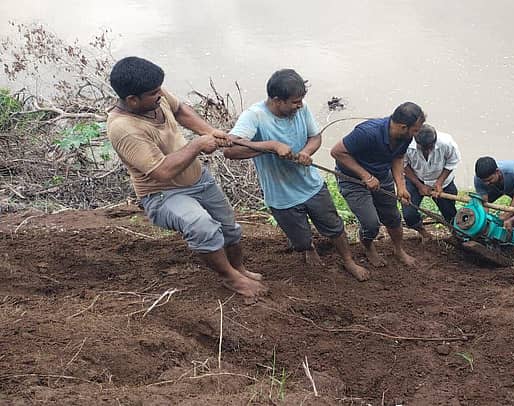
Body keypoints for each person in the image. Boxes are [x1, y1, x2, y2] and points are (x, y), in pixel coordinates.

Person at [106, 56, 266, 298]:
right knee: (202, 226)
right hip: (162, 193)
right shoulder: (123, 128)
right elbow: (162, 172)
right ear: (132, 99)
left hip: (197, 179)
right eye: (153, 93)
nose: (160, 96)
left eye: (159, 90)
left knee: (228, 226)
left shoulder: (153, 97)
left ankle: (239, 268)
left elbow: (180, 110)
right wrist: (198, 144)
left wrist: (210, 131)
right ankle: (230, 278)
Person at [222, 69, 370, 282]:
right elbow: (230, 150)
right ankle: (308, 249)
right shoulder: (254, 116)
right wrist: (270, 146)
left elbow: (315, 136)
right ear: (276, 100)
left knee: (334, 227)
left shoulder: (302, 108)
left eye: (300, 101)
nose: (299, 105)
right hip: (281, 196)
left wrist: (306, 152)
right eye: (294, 102)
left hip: (311, 185)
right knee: (300, 240)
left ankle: (348, 260)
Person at [330, 102, 425, 268]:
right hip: (353, 180)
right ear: (403, 127)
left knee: (394, 218)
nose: (418, 133)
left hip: (382, 176)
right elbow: (337, 152)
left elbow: (397, 157)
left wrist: (401, 187)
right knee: (371, 223)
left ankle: (398, 249)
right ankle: (368, 247)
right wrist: (366, 176)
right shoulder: (367, 133)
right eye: (416, 129)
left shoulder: (405, 136)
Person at [402, 124, 461, 240]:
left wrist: (439, 182)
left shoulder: (446, 142)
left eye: (430, 147)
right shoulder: (405, 144)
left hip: (442, 181)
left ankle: (457, 235)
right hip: (416, 179)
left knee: (450, 213)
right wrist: (419, 185)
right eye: (424, 148)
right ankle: (424, 233)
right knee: (409, 213)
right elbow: (403, 165)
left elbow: (452, 162)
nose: (428, 150)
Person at [473, 156, 514, 245]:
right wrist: (484, 221)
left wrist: (507, 216)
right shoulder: (479, 180)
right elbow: (484, 203)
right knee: (478, 210)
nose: (486, 183)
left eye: (489, 180)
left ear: (497, 172)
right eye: (484, 181)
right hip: (494, 189)